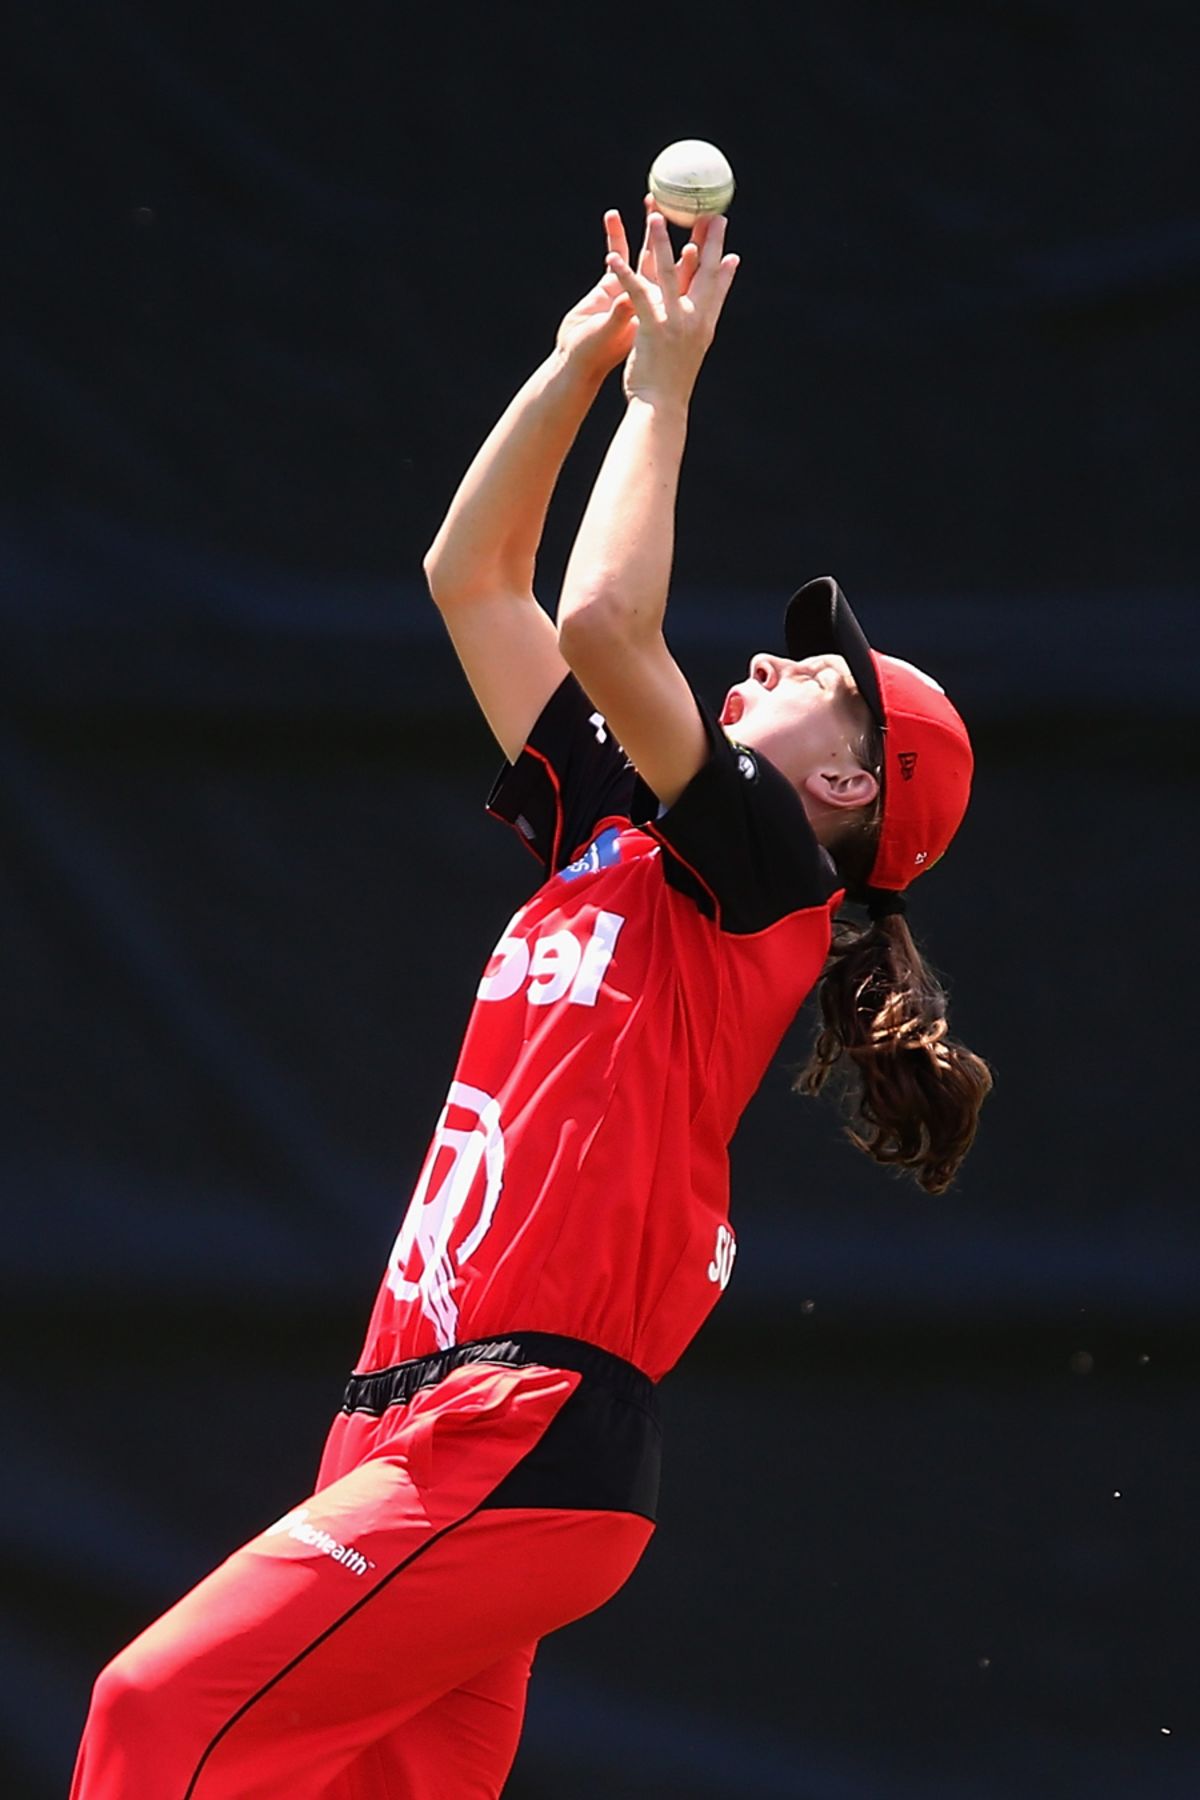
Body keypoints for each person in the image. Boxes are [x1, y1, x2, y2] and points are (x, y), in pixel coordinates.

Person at [70, 201, 991, 1800]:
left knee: (149, 1720)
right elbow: (469, 577)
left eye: (811, 681)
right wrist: (579, 364)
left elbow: (597, 620)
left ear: (848, 781)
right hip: (413, 1427)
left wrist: (665, 394)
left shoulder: (773, 873)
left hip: (516, 1426)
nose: (764, 670)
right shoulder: (624, 836)